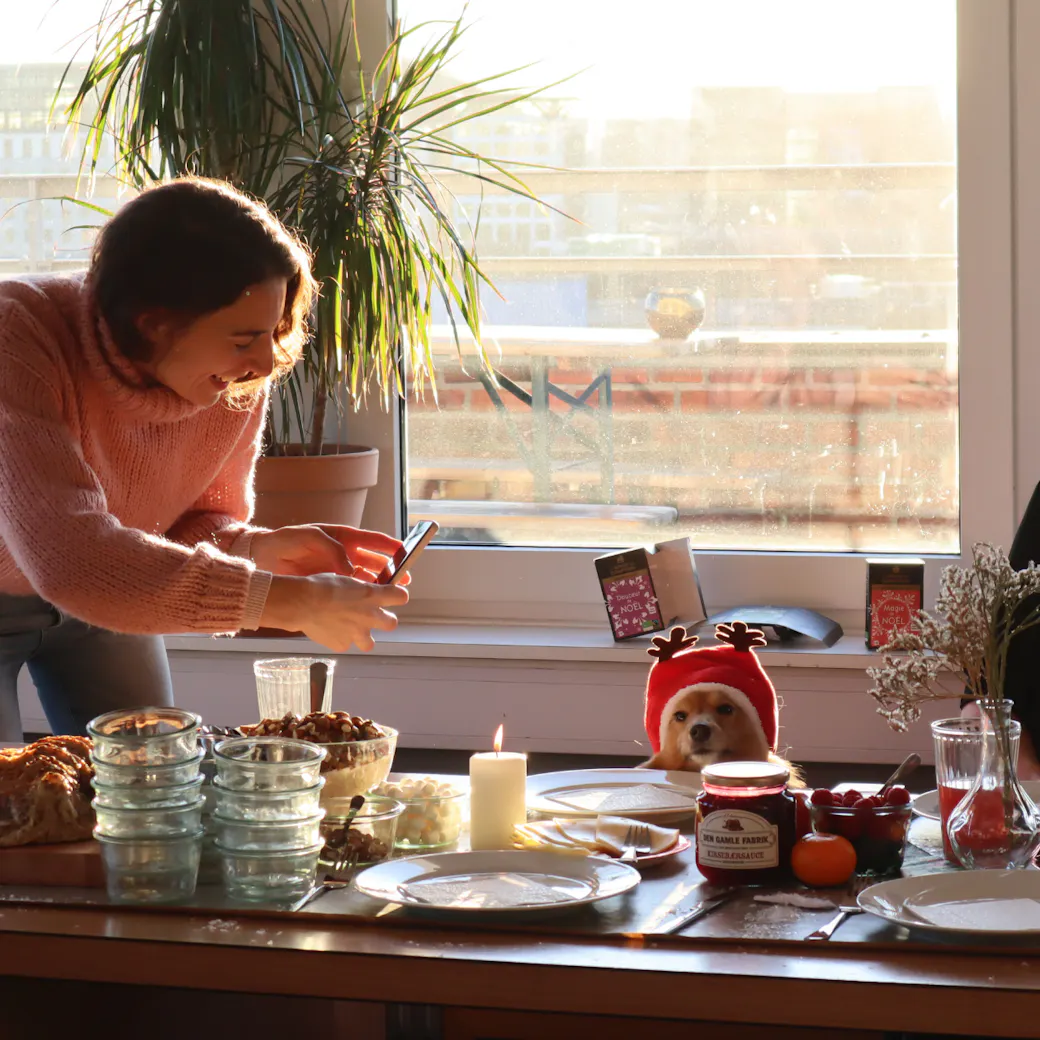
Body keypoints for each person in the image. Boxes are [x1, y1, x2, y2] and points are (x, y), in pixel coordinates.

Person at [0, 177, 409, 741]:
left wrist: (258, 547)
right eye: (244, 340)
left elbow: (187, 526)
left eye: (274, 331)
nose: (265, 361)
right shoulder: (17, 334)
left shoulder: (227, 378)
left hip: (107, 591)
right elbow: (71, 557)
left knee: (157, 784)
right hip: (83, 571)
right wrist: (290, 602)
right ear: (153, 322)